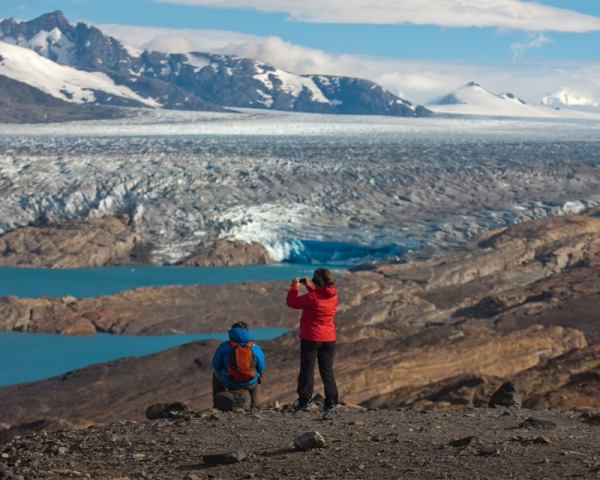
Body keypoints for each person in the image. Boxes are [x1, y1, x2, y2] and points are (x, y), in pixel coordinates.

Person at [286, 267, 339, 413]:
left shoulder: (312, 298)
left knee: (307, 370)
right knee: (327, 371)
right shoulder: (334, 295)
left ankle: (304, 402)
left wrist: (294, 287)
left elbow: (292, 302)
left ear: (316, 281)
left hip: (311, 338)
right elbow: (319, 297)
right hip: (329, 339)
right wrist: (309, 287)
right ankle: (331, 403)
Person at [212, 321, 265, 410]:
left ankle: (217, 404)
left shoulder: (224, 346)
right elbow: (261, 367)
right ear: (247, 332)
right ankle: (255, 405)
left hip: (229, 382)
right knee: (257, 375)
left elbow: (216, 365)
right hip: (250, 383)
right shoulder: (254, 347)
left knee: (215, 372)